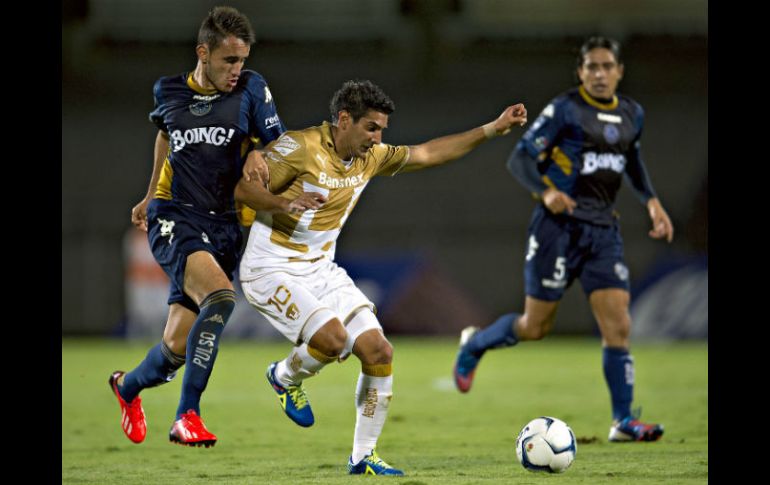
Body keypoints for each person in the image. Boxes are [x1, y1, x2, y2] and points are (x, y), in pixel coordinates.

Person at [233, 79, 527, 475]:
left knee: (379, 352)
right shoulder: (299, 147)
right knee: (333, 339)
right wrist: (286, 201)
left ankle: (362, 457)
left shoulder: (369, 158)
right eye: (371, 128)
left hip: (321, 269)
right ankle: (284, 377)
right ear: (343, 120)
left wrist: (491, 129)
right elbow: (243, 191)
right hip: (271, 268)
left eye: (382, 130)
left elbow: (426, 153)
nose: (378, 137)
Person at [107, 6, 322, 448]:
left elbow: (277, 144)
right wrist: (150, 195)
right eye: (228, 60)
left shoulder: (251, 89)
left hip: (225, 226)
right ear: (202, 52)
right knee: (222, 298)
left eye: (242, 60)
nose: (236, 70)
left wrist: (258, 152)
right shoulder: (167, 90)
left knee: (175, 351)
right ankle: (187, 415)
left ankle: (127, 387)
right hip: (176, 216)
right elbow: (165, 134)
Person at [452, 36, 674, 443]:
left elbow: (633, 160)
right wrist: (546, 191)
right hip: (558, 230)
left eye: (607, 66)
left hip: (603, 231)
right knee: (535, 327)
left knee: (619, 326)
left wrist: (652, 202)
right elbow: (519, 158)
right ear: (581, 72)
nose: (600, 74)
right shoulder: (565, 110)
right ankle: (475, 345)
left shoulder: (631, 114)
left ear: (619, 71)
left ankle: (623, 421)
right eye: (592, 67)